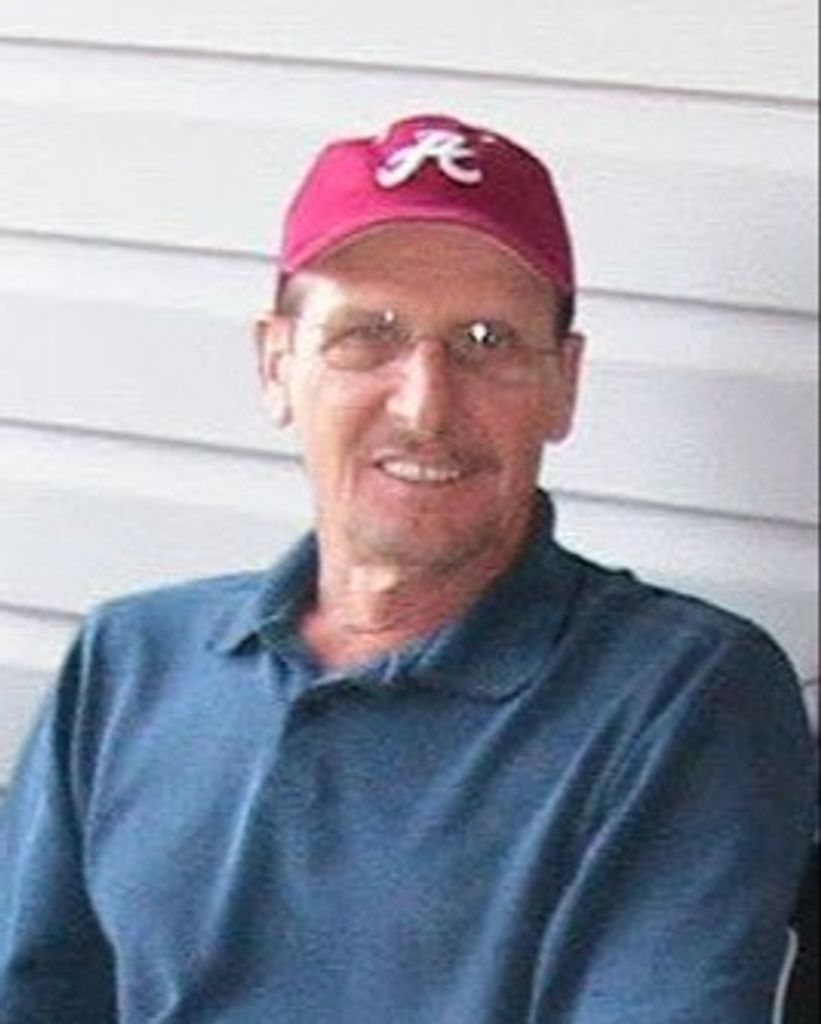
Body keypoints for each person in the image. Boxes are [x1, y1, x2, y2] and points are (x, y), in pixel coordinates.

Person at [0, 114, 815, 1024]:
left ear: (563, 383)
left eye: (486, 341)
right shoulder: (130, 663)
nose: (426, 406)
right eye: (368, 334)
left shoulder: (680, 700)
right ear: (275, 364)